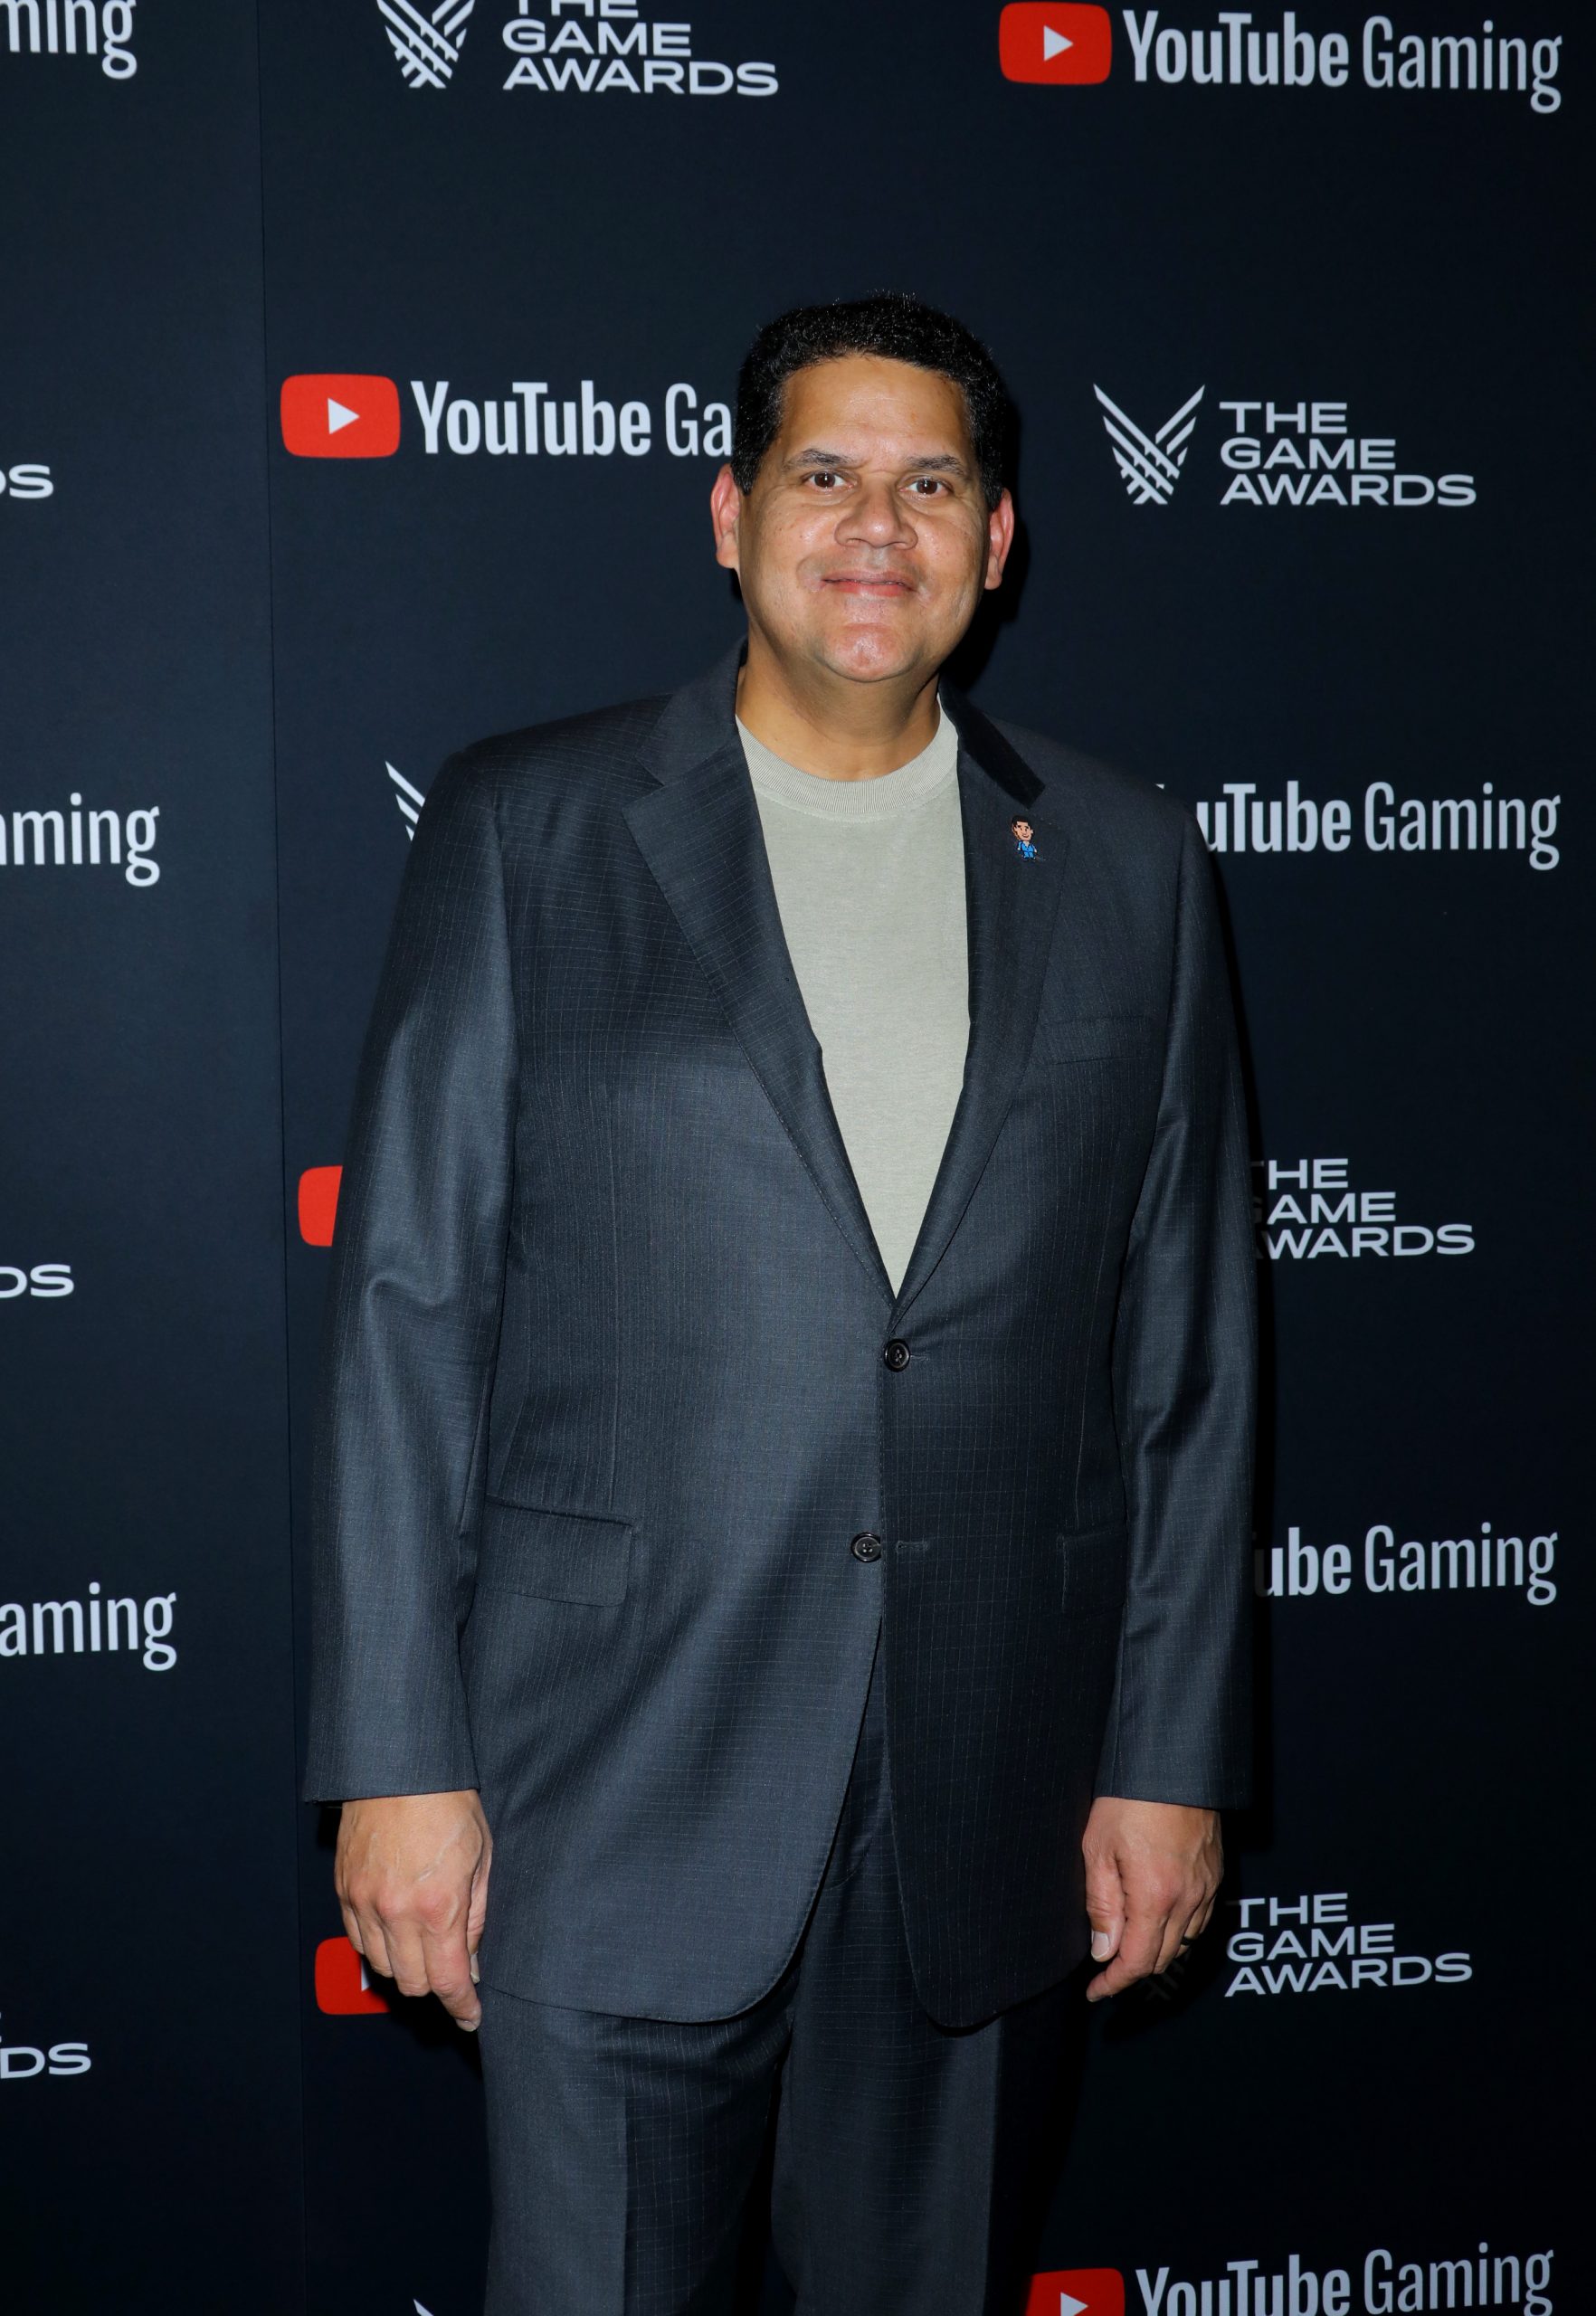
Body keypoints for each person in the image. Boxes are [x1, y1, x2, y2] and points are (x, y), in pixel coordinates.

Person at [304, 290, 1256, 2314]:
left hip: (985, 1803)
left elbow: (1183, 1360)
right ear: (731, 515)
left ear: (999, 538)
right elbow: (408, 1309)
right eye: (826, 474)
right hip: (605, 1781)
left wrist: (1167, 1761)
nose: (877, 526)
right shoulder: (526, 826)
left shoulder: (1131, 862)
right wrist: (396, 1757)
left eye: (933, 484)